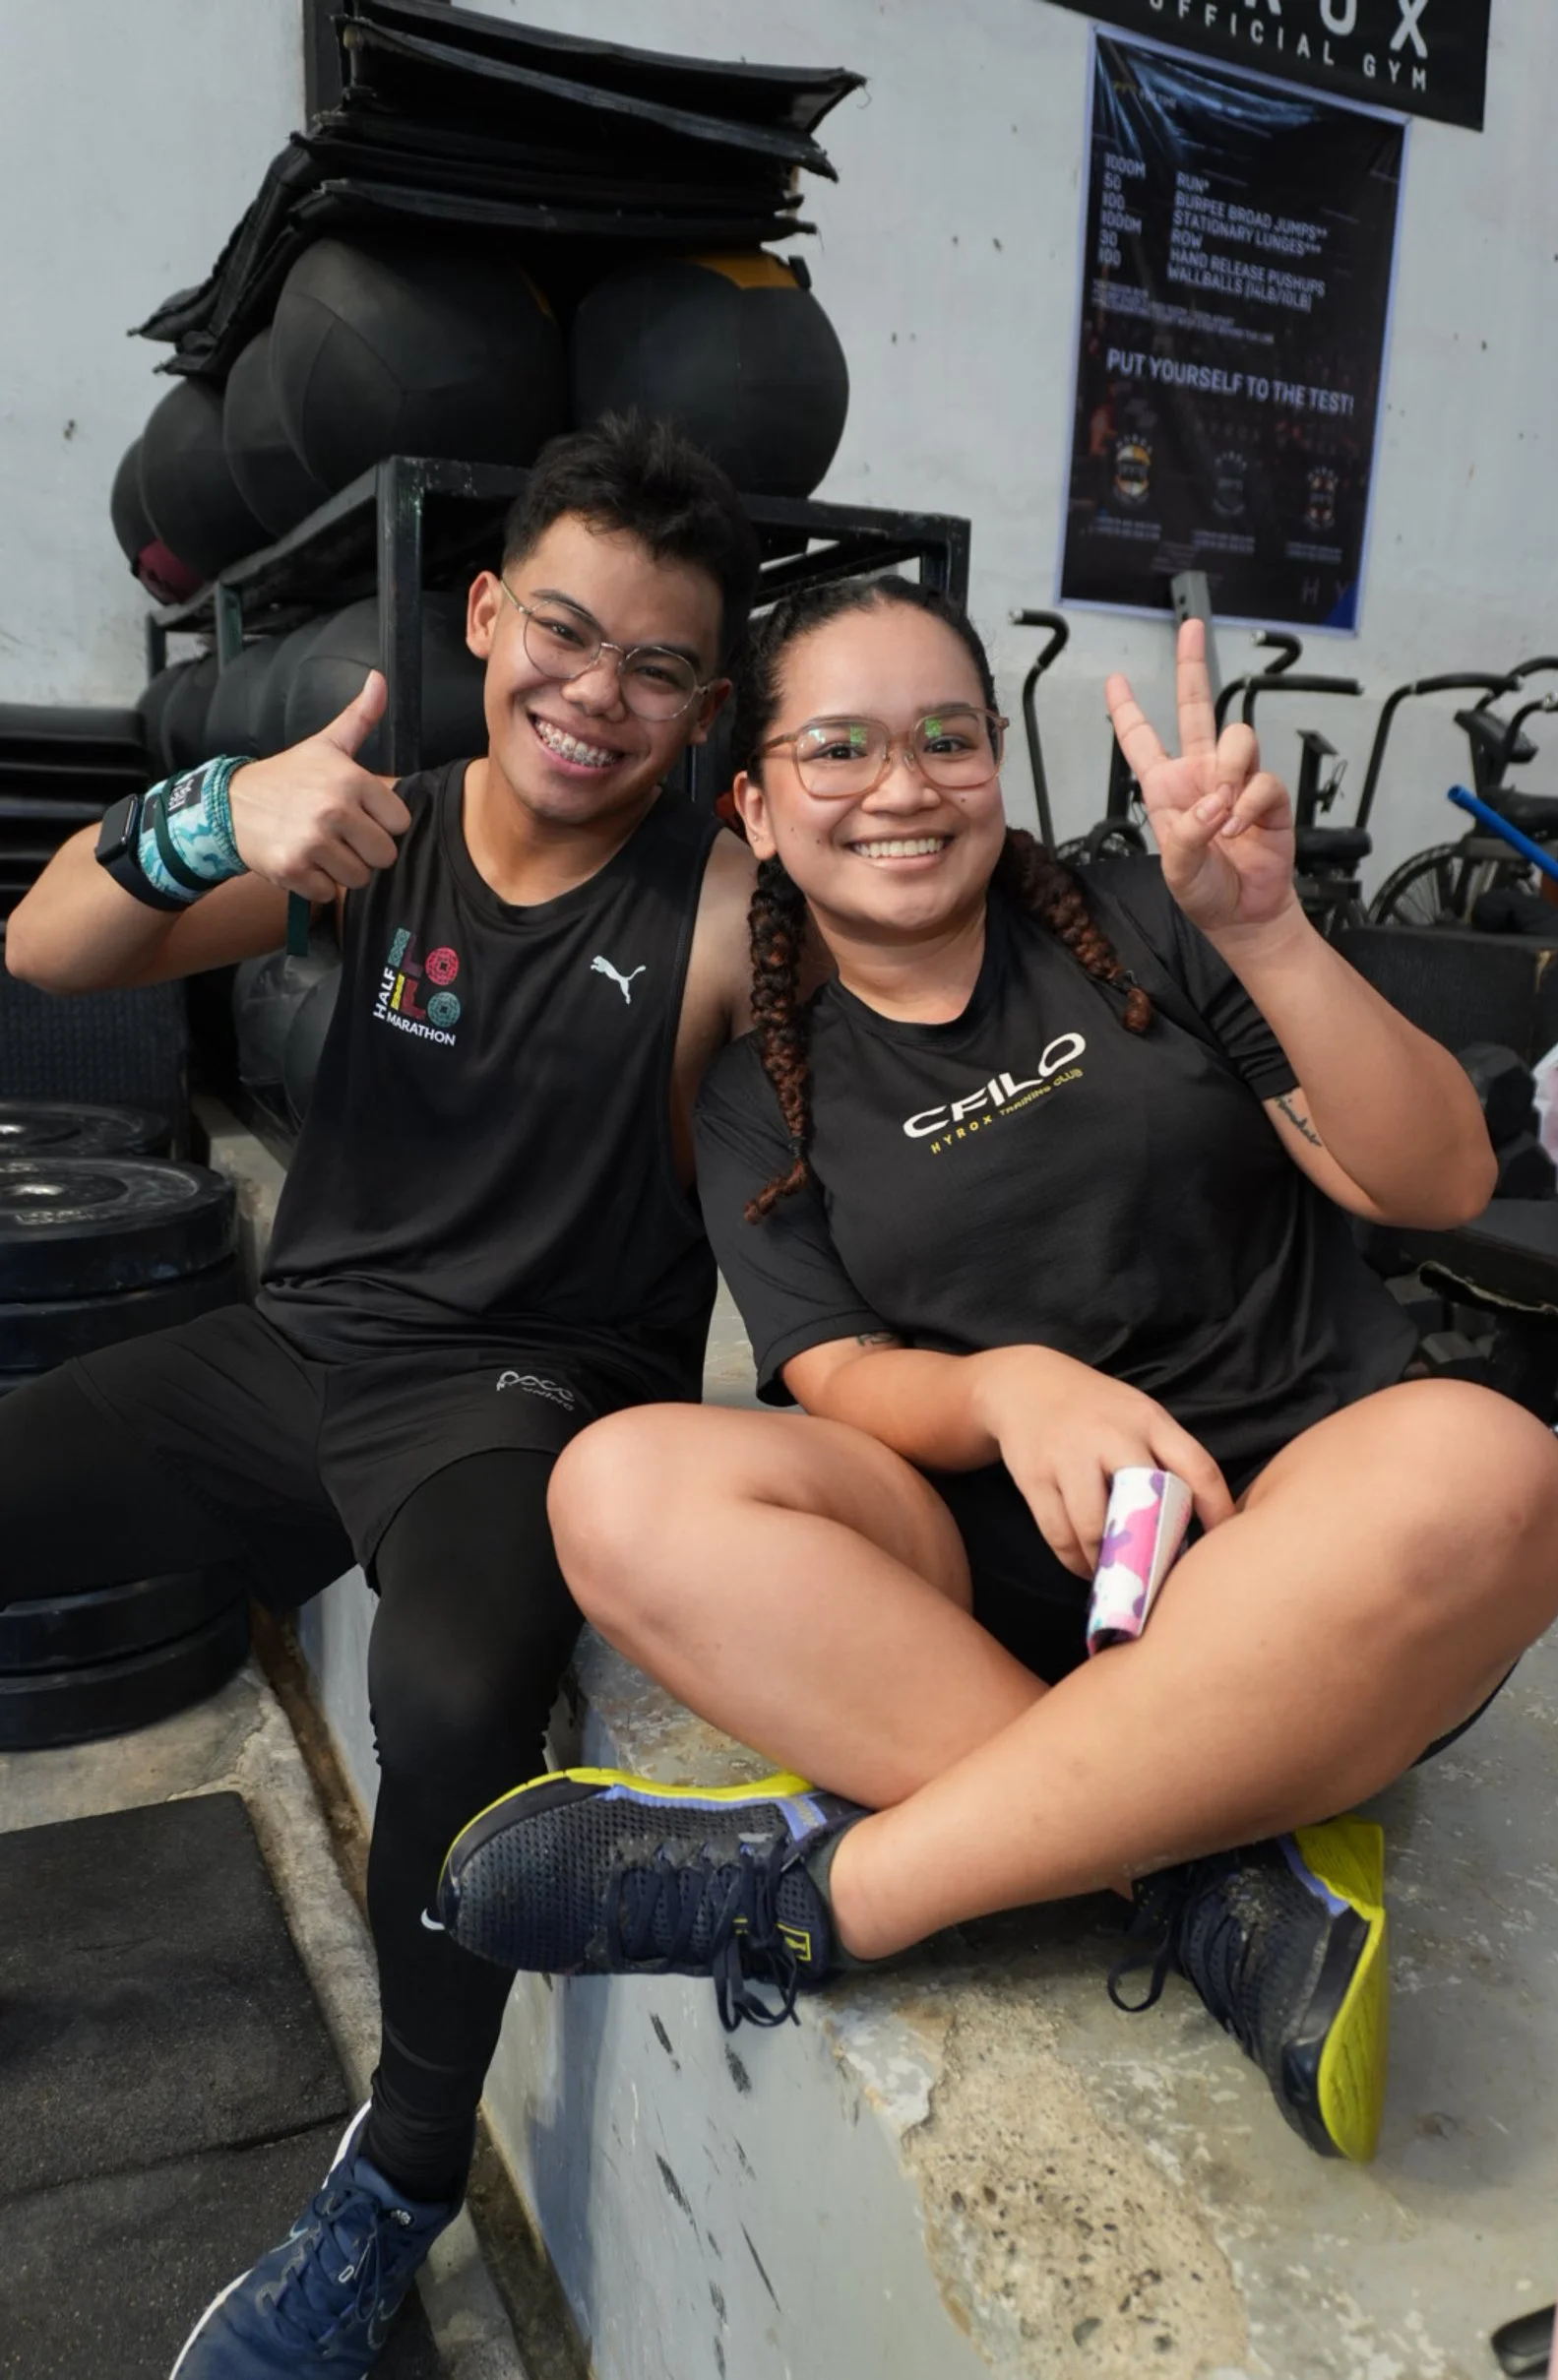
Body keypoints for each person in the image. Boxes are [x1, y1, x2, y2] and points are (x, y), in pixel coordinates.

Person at [437, 576, 1558, 2166]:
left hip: (1295, 1556)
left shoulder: (1147, 919)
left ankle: (831, 1890)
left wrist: (1268, 928)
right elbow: (833, 1368)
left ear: (999, 762)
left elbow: (1440, 1182)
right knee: (620, 1484)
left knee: (1498, 1467)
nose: (901, 785)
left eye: (947, 738)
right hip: (1005, 1587)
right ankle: (1196, 1873)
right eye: (837, 749)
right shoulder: (763, 1087)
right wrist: (1002, 1389)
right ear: (759, 808)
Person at [1, 415, 763, 2375]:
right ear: (489, 611)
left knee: (444, 1703)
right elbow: (43, 939)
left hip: (521, 1400)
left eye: (657, 664)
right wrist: (211, 819)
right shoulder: (373, 824)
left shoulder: (724, 909)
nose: (595, 695)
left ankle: (396, 2185)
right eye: (566, 633)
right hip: (300, 1343)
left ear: (701, 702)